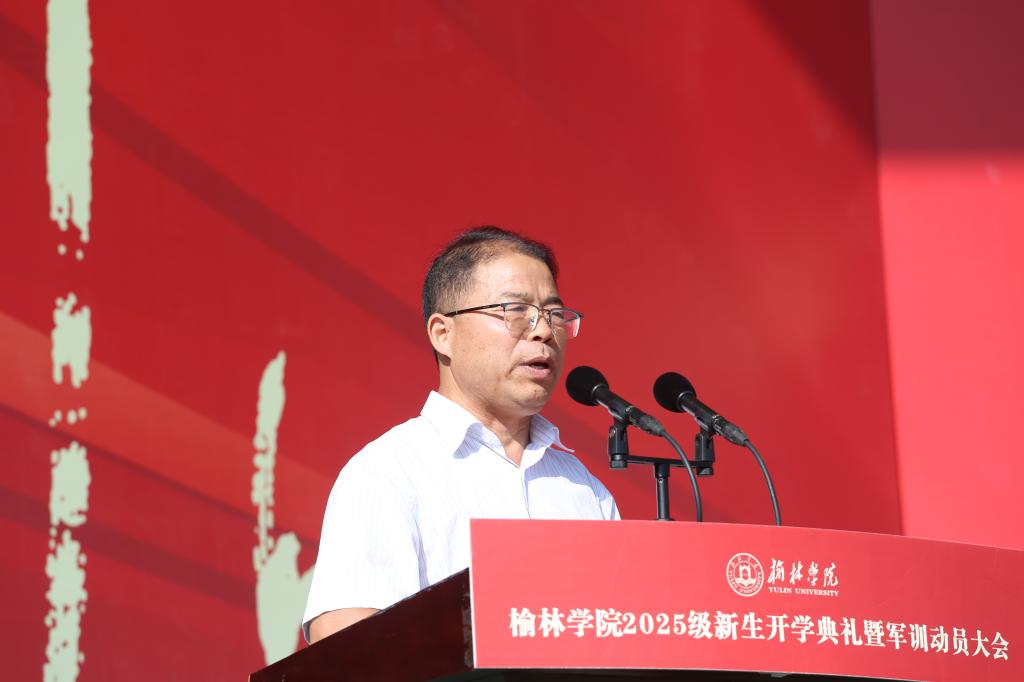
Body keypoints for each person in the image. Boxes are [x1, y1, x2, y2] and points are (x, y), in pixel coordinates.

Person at [302, 226, 619, 643]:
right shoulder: (388, 474)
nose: (543, 331)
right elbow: (343, 640)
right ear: (443, 334)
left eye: (553, 314)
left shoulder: (583, 489)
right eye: (515, 310)